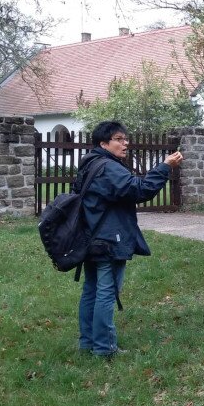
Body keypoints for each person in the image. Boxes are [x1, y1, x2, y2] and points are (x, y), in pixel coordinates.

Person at [76, 121, 183, 357]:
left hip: (91, 237)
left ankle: (87, 343)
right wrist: (165, 167)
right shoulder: (108, 167)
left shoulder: (89, 163)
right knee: (106, 292)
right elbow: (139, 190)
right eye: (118, 139)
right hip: (108, 239)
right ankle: (104, 348)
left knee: (91, 290)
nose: (125, 143)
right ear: (103, 143)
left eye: (126, 139)